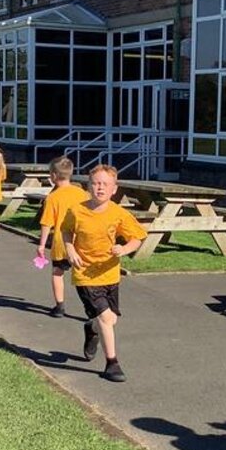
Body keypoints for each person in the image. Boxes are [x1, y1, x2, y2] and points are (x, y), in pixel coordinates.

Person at [61, 164, 148, 382]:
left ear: (114, 189)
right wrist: (70, 250)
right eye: (96, 183)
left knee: (110, 320)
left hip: (110, 273)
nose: (100, 188)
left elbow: (137, 238)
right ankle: (112, 363)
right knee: (106, 317)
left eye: (105, 184)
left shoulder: (119, 214)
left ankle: (92, 328)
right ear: (88, 186)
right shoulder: (76, 211)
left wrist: (124, 249)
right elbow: (66, 231)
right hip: (85, 274)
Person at [36, 157, 89, 318]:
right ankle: (92, 306)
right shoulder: (82, 194)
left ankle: (60, 306)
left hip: (61, 242)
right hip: (80, 241)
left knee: (57, 272)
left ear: (53, 175)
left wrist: (41, 245)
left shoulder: (53, 197)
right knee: (84, 276)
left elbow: (47, 223)